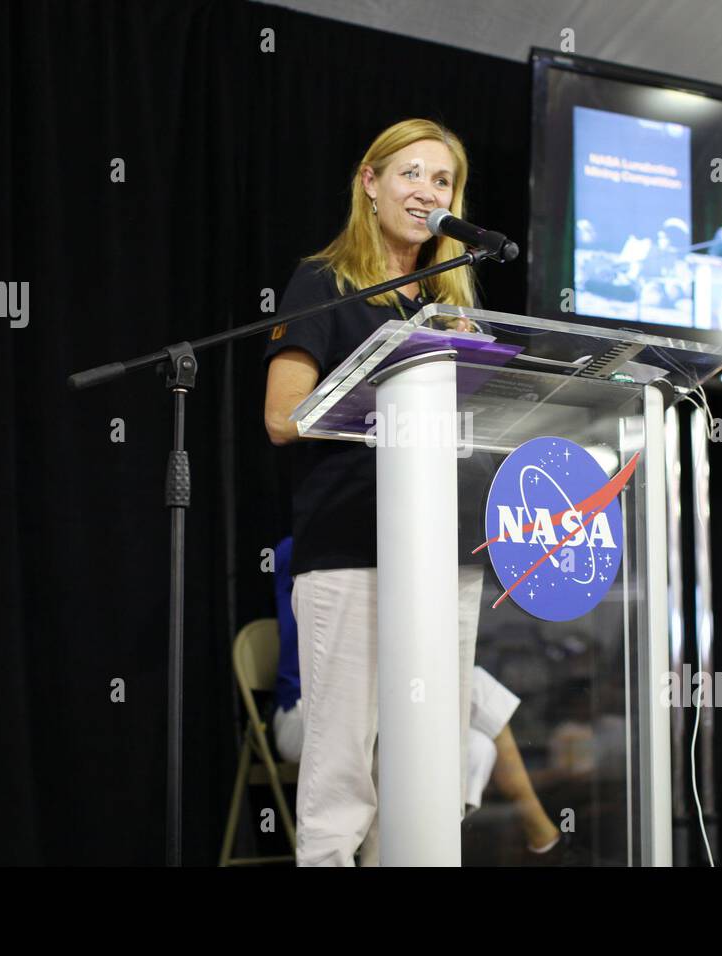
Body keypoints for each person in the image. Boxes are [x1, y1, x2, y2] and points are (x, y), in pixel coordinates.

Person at [263, 119, 485, 867]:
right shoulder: (324, 283)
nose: (426, 191)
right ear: (371, 182)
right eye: (410, 173)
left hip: (446, 555)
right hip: (350, 548)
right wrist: (386, 406)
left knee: (429, 772)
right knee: (342, 777)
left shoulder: (450, 307)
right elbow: (282, 416)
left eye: (442, 180)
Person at [270, 538, 565, 859]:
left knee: (477, 747)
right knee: (461, 682)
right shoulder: (309, 549)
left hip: (384, 707)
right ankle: (536, 821)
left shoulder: (419, 548)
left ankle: (417, 850)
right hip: (306, 708)